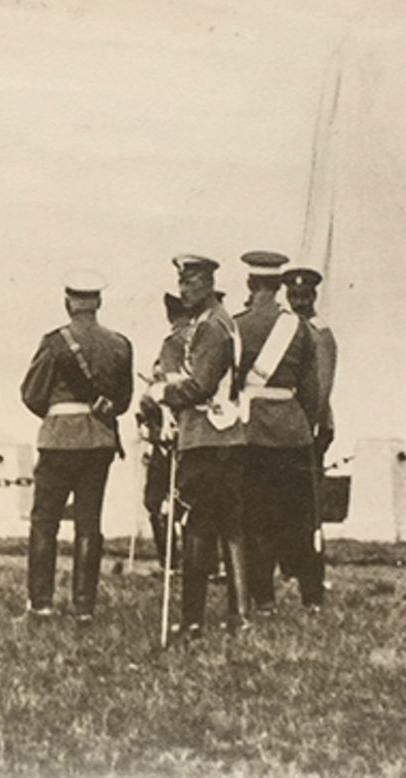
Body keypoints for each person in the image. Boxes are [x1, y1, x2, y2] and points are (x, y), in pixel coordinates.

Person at [19, 270, 133, 620]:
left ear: (68, 303)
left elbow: (31, 393)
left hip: (58, 438)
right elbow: (123, 401)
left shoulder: (54, 342)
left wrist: (57, 413)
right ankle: (84, 606)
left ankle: (41, 604)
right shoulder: (119, 343)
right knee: (89, 521)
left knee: (44, 521)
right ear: (98, 302)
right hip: (98, 440)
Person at [146, 254, 248, 638]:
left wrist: (161, 392)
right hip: (224, 436)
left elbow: (200, 385)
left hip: (207, 438)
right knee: (229, 526)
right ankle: (240, 615)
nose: (184, 289)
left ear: (208, 283)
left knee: (198, 528)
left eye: (191, 282)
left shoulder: (211, 328)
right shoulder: (219, 322)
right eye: (181, 281)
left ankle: (193, 620)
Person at [233, 251, 323, 614]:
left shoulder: (236, 326)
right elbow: (312, 390)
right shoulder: (299, 327)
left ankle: (264, 599)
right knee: (301, 517)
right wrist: (305, 425)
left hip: (250, 430)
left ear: (251, 285)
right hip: (292, 431)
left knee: (255, 518)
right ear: (279, 286)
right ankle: (312, 598)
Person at [283, 265, 339, 596]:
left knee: (307, 509)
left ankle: (312, 582)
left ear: (314, 296)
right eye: (293, 295)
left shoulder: (320, 333)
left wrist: (308, 426)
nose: (299, 300)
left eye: (304, 295)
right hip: (285, 427)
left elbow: (322, 385)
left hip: (311, 427)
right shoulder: (285, 328)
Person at [136, 292, 189, 565]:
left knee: (167, 501)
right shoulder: (169, 353)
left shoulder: (175, 349)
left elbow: (148, 402)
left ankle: (173, 561)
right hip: (166, 441)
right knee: (159, 500)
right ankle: (172, 560)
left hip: (180, 440)